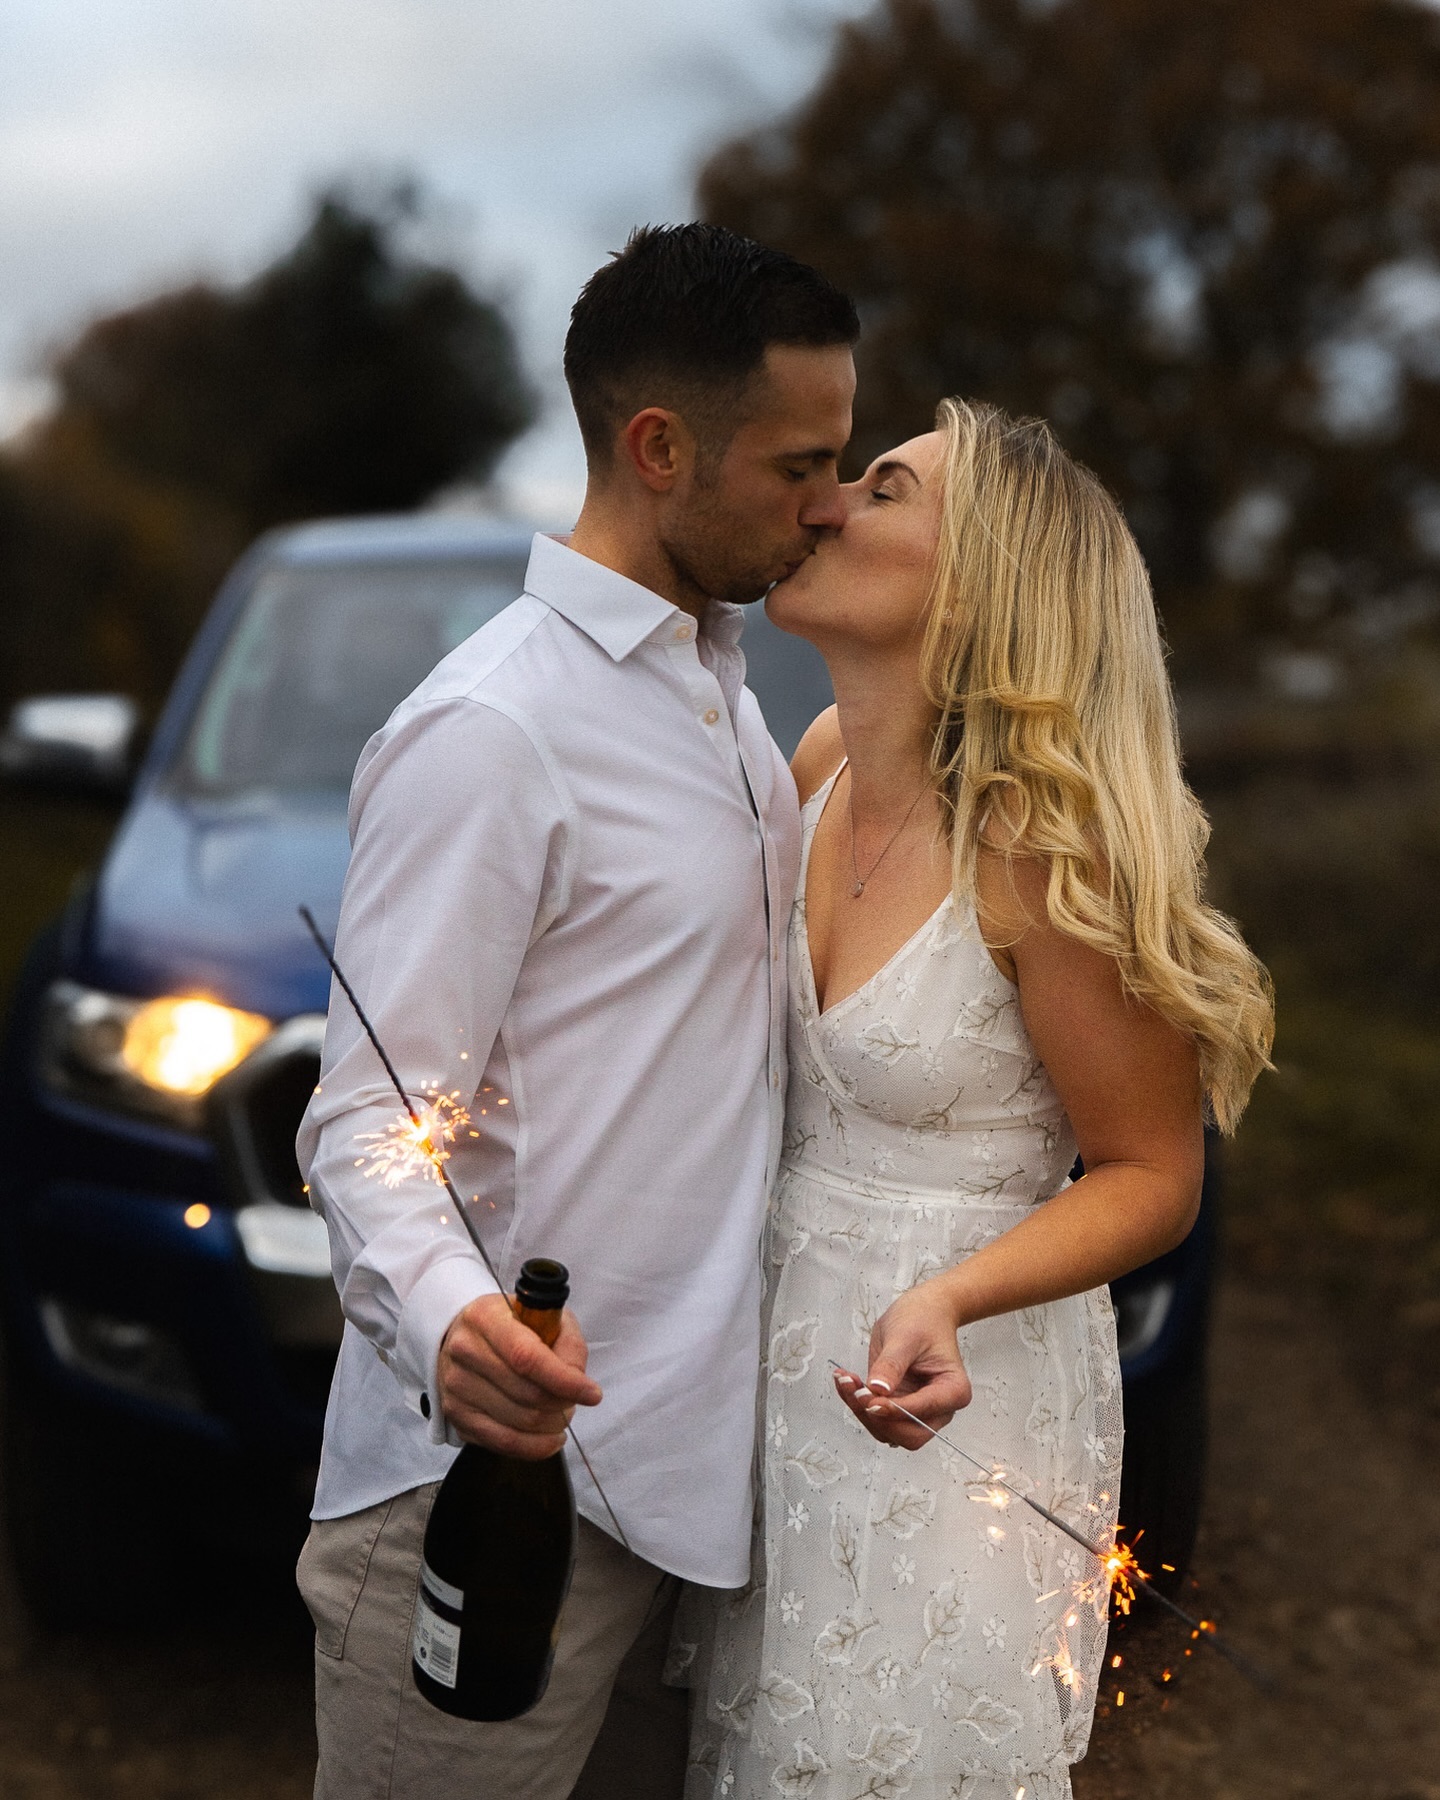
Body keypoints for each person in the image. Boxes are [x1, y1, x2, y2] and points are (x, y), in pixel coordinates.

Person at [294, 223, 859, 1800]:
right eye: (800, 465)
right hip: (487, 1497)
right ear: (659, 447)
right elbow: (361, 1118)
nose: (828, 503)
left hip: (691, 1492)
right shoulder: (491, 730)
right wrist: (450, 1317)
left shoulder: (732, 699)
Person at [682, 399, 1274, 1800]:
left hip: (954, 1397)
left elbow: (1152, 1175)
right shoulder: (818, 761)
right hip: (773, 1367)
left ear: (982, 586)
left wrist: (949, 1298)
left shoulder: (1042, 853)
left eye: (882, 489)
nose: (824, 501)